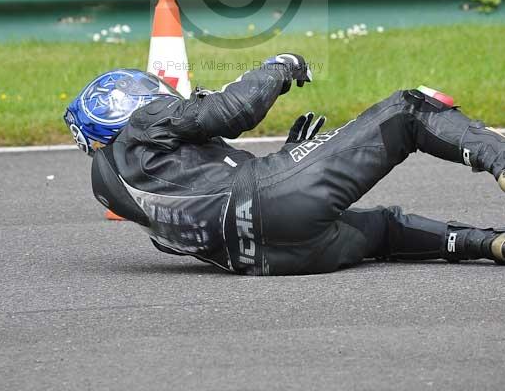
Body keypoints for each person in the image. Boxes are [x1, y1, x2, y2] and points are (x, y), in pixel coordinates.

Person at [64, 54, 505, 275]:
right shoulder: (142, 124)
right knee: (410, 111)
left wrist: (291, 159)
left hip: (274, 256)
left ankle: (487, 245)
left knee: (384, 229)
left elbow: (206, 202)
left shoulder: (112, 186)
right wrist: (278, 68)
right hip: (271, 194)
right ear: (121, 108)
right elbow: (232, 111)